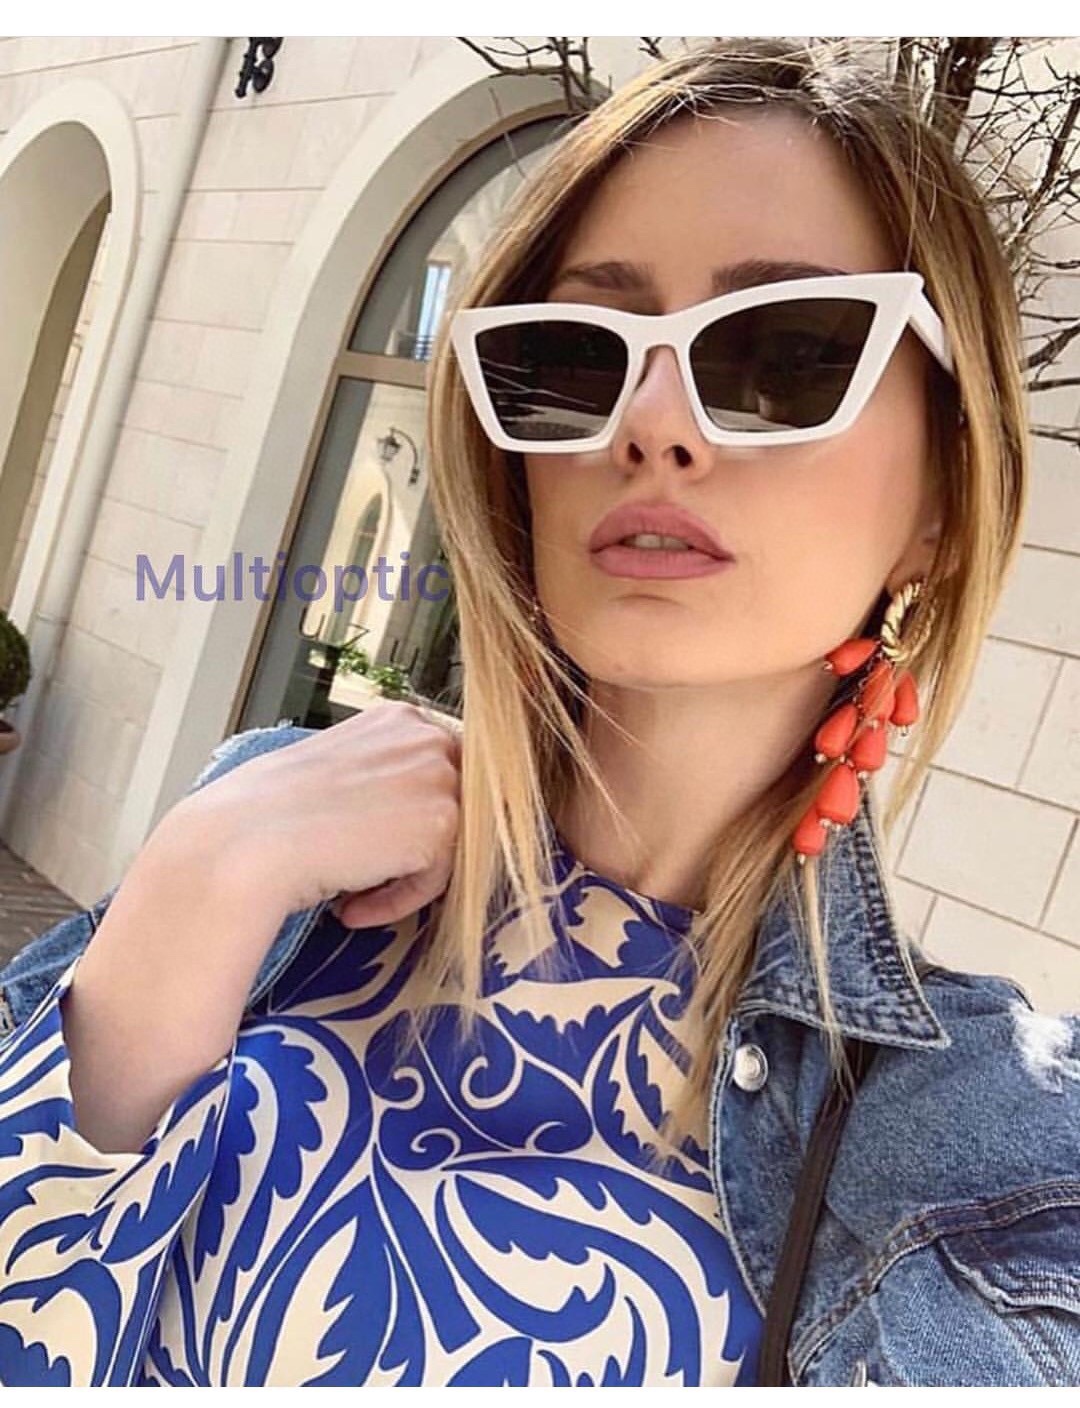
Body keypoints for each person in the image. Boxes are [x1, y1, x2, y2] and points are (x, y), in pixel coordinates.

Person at [1, 37, 1078, 1388]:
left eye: (785, 355)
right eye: (574, 357)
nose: (653, 425)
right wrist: (197, 891)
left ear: (942, 499)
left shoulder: (1001, 1161)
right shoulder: (274, 846)